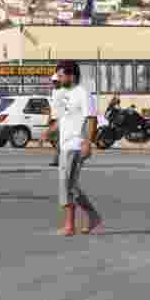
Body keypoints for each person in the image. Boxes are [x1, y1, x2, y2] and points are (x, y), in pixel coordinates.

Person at [54, 60, 103, 236]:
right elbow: (63, 119)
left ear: (71, 76)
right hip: (65, 145)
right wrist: (48, 132)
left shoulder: (83, 93)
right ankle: (93, 216)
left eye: (61, 75)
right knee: (70, 185)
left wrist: (88, 142)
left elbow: (92, 118)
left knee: (66, 184)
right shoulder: (64, 94)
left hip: (76, 145)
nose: (58, 79)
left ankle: (70, 225)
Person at [47, 74, 63, 167]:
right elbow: (52, 106)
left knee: (59, 141)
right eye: (53, 82)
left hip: (60, 119)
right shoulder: (53, 91)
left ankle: (57, 160)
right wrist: (49, 117)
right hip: (53, 119)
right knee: (50, 138)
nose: (54, 83)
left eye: (55, 81)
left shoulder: (63, 91)